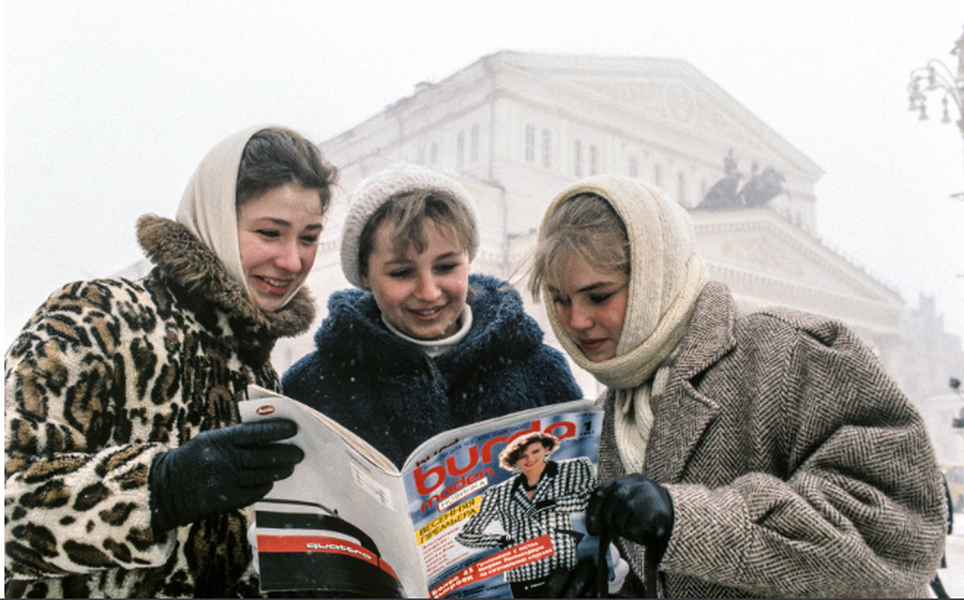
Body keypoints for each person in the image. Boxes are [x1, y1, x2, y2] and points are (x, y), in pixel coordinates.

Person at [526, 174, 948, 598]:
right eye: (560, 299)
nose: (575, 320)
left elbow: (896, 533)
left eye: (599, 296)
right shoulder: (609, 416)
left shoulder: (789, 352)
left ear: (655, 280)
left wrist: (681, 519)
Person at [4, 125, 338, 598]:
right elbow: (10, 516)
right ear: (216, 219)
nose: (291, 260)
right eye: (269, 233)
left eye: (309, 238)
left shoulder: (261, 374)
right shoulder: (95, 315)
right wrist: (161, 489)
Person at [282, 164, 583, 468]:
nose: (428, 292)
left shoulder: (539, 371)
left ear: (469, 260)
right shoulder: (313, 388)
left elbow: (583, 479)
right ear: (364, 273)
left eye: (446, 267)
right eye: (401, 273)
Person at [456, 432, 596, 598]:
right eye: (522, 456)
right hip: (523, 577)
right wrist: (499, 540)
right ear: (514, 461)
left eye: (535, 451)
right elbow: (466, 535)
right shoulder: (499, 493)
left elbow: (590, 500)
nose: (530, 459)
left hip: (564, 568)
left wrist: (552, 504)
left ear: (547, 448)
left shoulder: (571, 469)